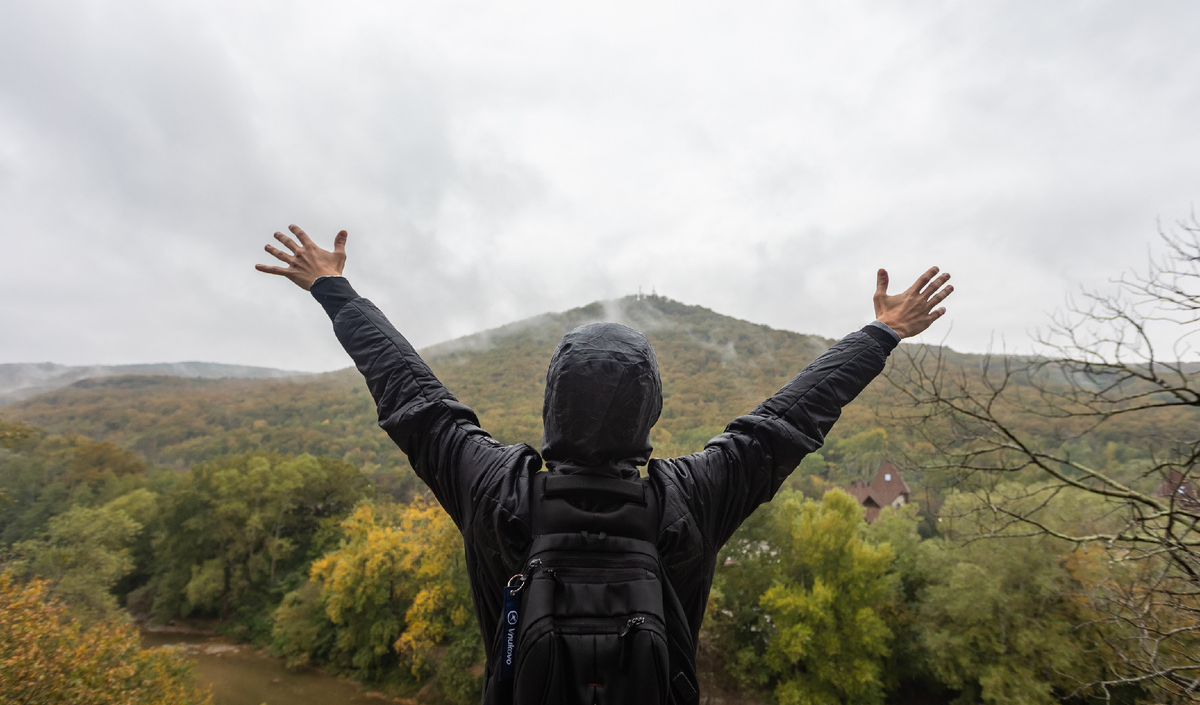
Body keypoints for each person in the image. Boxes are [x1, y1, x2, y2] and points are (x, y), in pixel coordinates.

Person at [256, 225, 953, 704]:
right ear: (649, 407)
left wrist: (333, 290)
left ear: (552, 398)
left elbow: (411, 396)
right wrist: (882, 332)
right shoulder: (691, 500)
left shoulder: (493, 488)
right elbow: (789, 420)